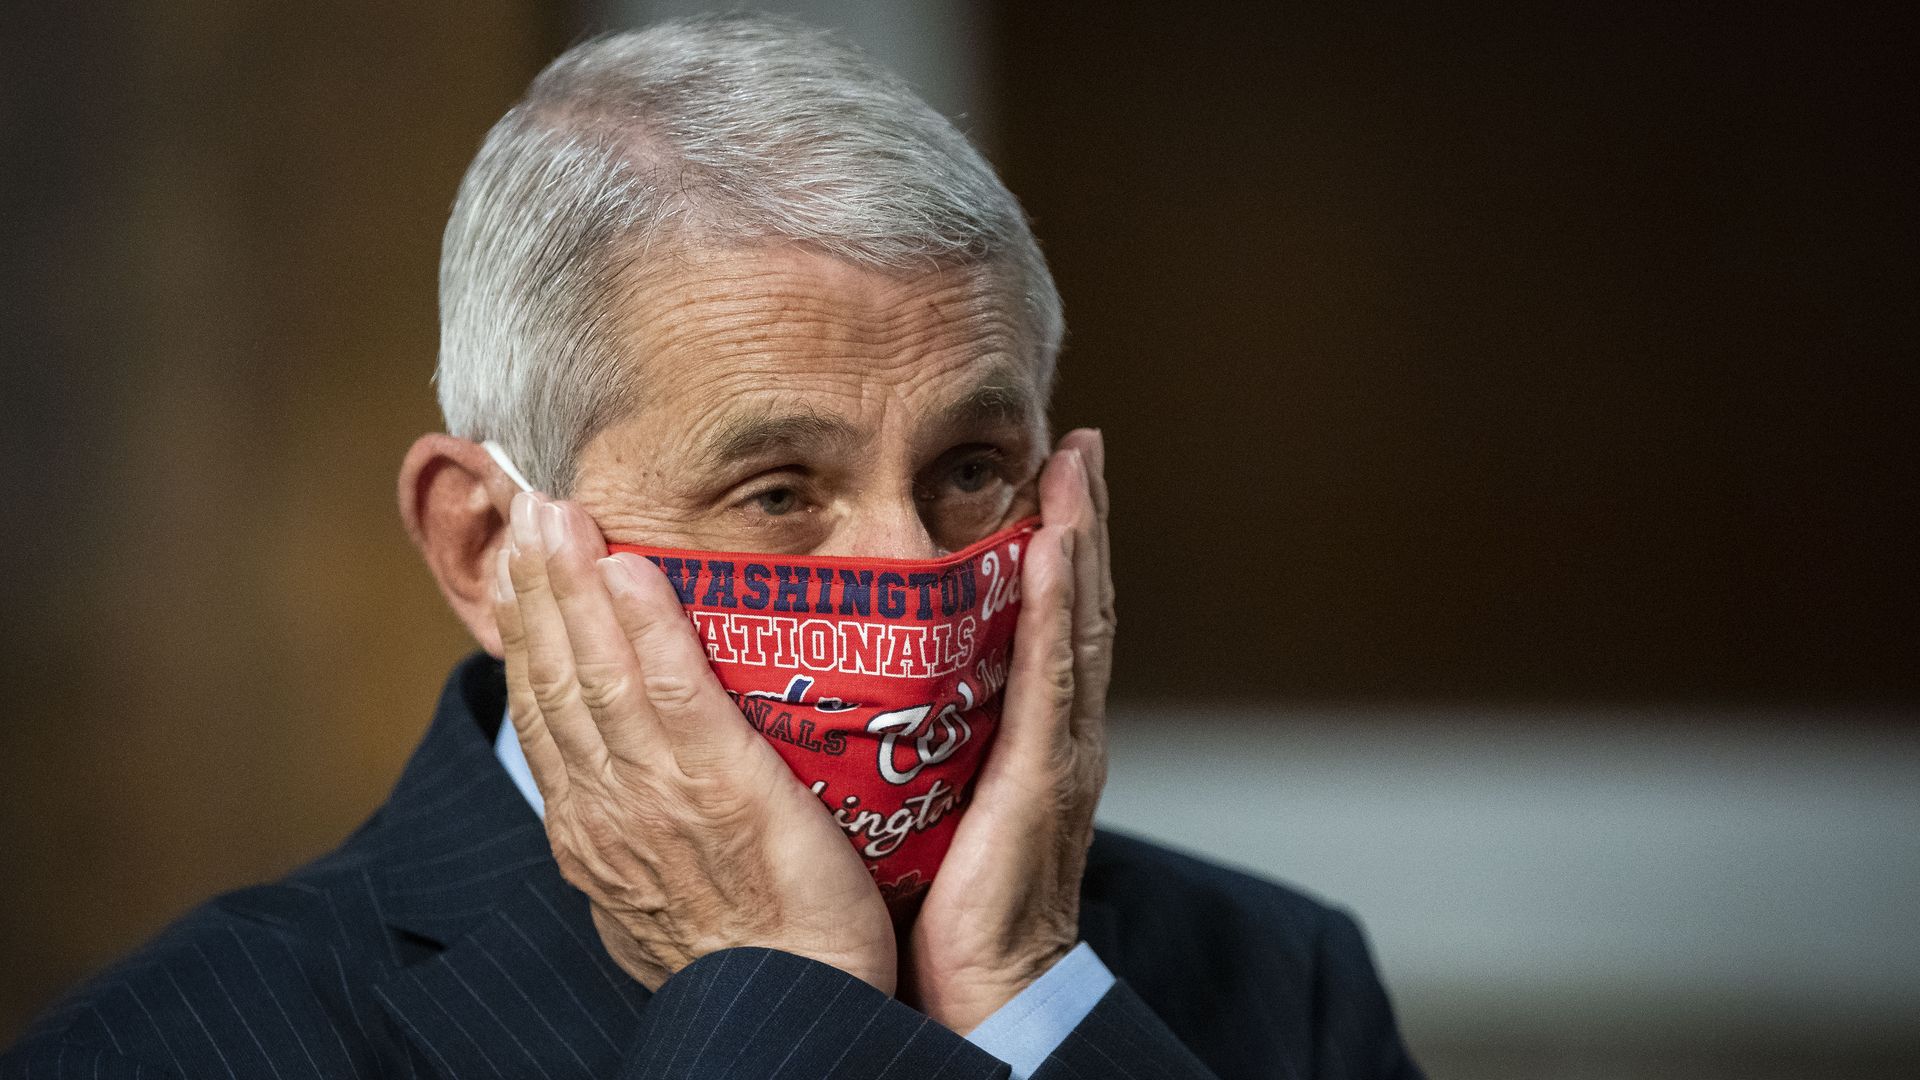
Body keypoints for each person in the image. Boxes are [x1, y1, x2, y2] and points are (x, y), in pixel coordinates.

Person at [3, 17, 1422, 1080]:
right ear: (488, 543)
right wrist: (782, 996)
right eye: (778, 492)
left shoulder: (1278, 985)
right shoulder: (187, 1046)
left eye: (972, 470)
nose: (906, 577)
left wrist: (1029, 991)